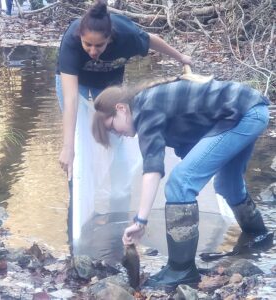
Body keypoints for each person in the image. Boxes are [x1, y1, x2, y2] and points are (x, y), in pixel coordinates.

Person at [91, 76, 271, 289]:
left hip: (245, 113)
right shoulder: (148, 103)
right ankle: (259, 237)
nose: (118, 134)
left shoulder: (144, 108)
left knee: (179, 183)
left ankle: (181, 269)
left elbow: (152, 169)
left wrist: (140, 221)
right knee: (227, 184)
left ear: (121, 108)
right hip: (249, 110)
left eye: (112, 127)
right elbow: (192, 148)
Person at [56, 0, 191, 179]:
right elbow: (71, 99)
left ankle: (118, 185)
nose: (93, 51)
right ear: (80, 36)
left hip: (108, 84)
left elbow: (151, 40)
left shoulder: (126, 34)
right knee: (78, 136)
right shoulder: (71, 41)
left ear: (110, 38)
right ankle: (79, 187)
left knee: (114, 133)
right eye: (87, 44)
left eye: (99, 45)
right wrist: (68, 147)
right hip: (77, 81)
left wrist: (181, 57)